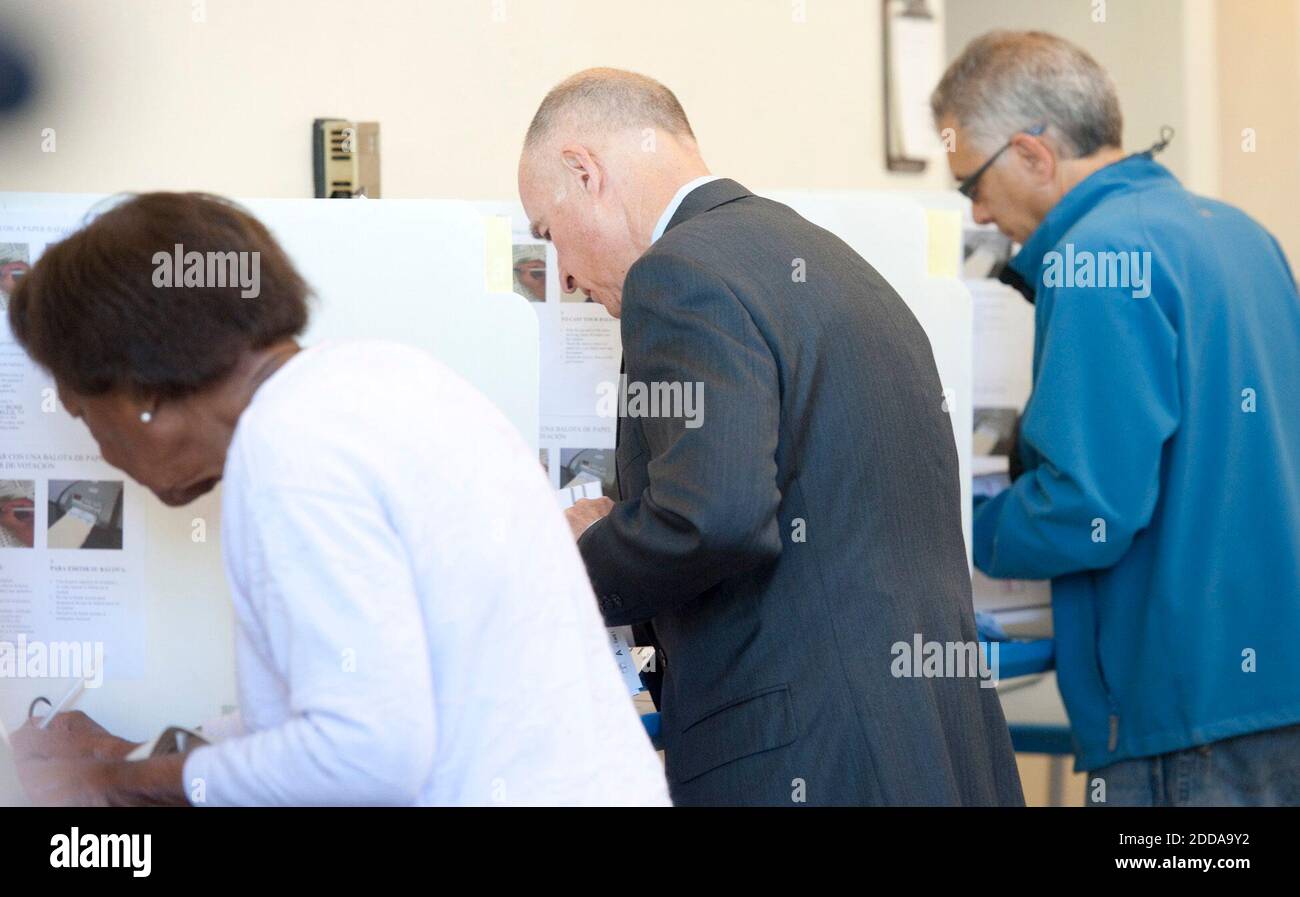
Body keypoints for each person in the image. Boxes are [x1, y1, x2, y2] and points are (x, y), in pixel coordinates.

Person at [7, 192, 670, 807]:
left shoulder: (288, 449)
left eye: (85, 414)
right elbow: (345, 699)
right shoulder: (378, 381)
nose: (101, 449)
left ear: (141, 390)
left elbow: (365, 752)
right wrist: (137, 755)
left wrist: (117, 784)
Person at [519, 68, 1024, 807]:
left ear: (585, 172)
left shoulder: (678, 274)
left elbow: (713, 518)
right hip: (932, 745)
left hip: (805, 757)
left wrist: (567, 557)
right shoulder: (833, 262)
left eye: (547, 233)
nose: (561, 277)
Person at [932, 31, 1300, 806]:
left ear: (1033, 155)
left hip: (1178, 714)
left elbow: (1087, 507)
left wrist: (963, 527)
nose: (980, 212)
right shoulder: (1238, 233)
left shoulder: (1096, 255)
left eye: (972, 183)